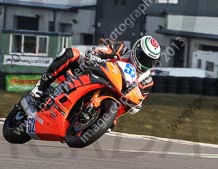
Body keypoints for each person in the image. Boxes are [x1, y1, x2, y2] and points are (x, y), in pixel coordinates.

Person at [29, 36, 161, 112]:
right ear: (136, 50)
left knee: (126, 107)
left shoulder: (146, 81)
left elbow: (136, 106)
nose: (145, 64)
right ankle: (40, 88)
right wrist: (94, 54)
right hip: (91, 74)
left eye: (150, 62)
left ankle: (103, 121)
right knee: (69, 53)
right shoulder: (121, 49)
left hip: (110, 96)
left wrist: (135, 105)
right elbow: (100, 50)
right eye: (144, 58)